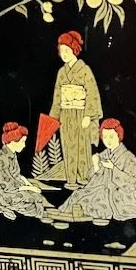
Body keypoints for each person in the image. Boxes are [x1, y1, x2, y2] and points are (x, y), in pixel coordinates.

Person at [56, 118, 136, 222]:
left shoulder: (128, 157)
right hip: (100, 188)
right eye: (105, 137)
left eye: (111, 136)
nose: (108, 140)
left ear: (119, 136)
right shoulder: (103, 154)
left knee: (95, 204)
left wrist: (113, 168)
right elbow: (89, 178)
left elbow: (131, 184)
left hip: (119, 194)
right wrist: (95, 166)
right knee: (78, 194)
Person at [49, 31, 102, 187]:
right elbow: (58, 96)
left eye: (67, 50)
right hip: (65, 114)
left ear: (74, 49)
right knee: (68, 144)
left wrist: (88, 115)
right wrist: (54, 118)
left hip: (81, 113)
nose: (64, 54)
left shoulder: (84, 70)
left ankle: (83, 178)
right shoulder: (61, 72)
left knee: (82, 145)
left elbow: (92, 92)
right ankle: (71, 179)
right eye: (61, 51)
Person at [0, 123, 49, 219]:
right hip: (3, 193)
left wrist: (28, 184)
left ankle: (36, 212)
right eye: (22, 142)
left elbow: (17, 176)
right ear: (13, 141)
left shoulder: (12, 155)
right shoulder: (1, 159)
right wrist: (28, 188)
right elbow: (7, 185)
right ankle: (4, 207)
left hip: (13, 189)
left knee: (36, 196)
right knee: (32, 200)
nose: (24, 145)